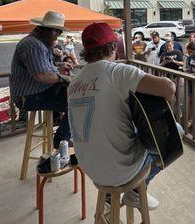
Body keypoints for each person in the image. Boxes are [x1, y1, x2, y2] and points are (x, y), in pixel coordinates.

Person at [68, 22, 176, 210]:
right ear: (113, 46)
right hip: (121, 171)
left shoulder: (74, 83)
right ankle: (135, 192)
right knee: (176, 133)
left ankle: (110, 197)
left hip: (91, 169)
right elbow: (168, 88)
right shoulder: (117, 72)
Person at [10, 11, 72, 149]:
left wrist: (59, 65)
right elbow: (42, 75)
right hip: (28, 96)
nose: (58, 35)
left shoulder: (38, 43)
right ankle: (61, 140)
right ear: (48, 30)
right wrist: (66, 78)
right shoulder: (33, 45)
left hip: (36, 92)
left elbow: (41, 66)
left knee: (75, 97)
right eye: (57, 32)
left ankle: (63, 136)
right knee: (77, 103)